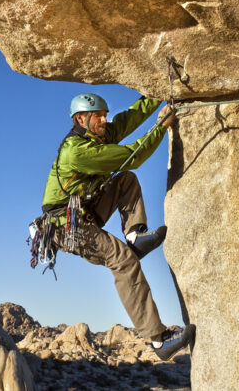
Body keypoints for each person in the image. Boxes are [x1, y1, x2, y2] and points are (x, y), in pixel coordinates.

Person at [41, 93, 194, 360]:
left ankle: (135, 235)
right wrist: (160, 128)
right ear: (81, 119)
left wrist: (155, 95)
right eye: (98, 116)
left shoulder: (97, 135)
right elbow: (132, 155)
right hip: (68, 227)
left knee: (125, 180)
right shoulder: (77, 151)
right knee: (123, 261)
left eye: (104, 114)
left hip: (84, 213)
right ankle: (158, 341)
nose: (104, 119)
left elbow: (128, 120)